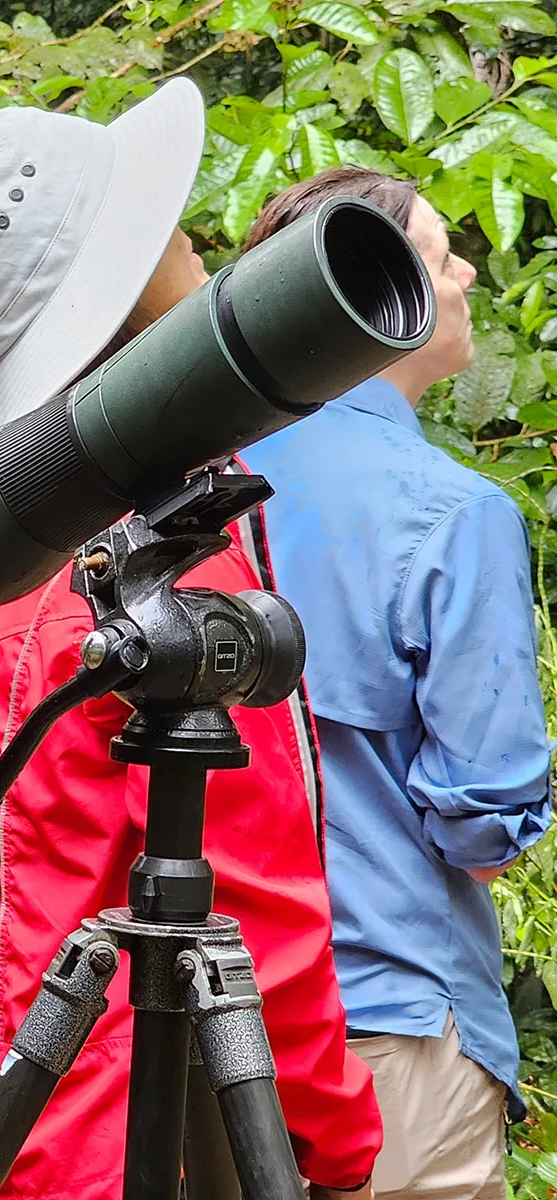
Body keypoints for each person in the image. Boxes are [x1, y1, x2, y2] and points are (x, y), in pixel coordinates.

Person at [0, 82, 380, 1197]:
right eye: (165, 228)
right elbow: (255, 906)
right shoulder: (169, 558)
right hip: (151, 1144)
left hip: (19, 1108)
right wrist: (336, 1144)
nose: (198, 250)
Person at [238, 165, 553, 1200]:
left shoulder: (188, 486)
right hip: (393, 1030)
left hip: (210, 1024)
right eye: (439, 251)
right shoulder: (451, 512)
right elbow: (481, 822)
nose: (465, 271)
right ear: (385, 299)